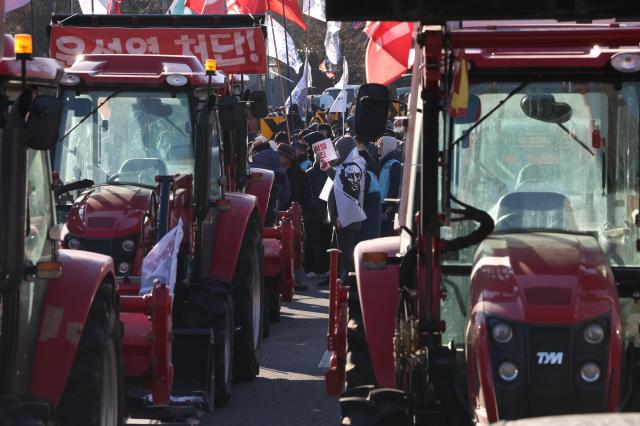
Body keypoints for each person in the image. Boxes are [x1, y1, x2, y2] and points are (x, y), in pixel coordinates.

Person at [323, 136, 367, 283]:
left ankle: (347, 281)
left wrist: (343, 216)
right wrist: (328, 169)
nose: (336, 152)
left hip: (346, 218)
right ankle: (336, 278)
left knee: (345, 251)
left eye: (338, 149)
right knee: (337, 249)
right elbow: (340, 181)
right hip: (341, 217)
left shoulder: (354, 166)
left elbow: (352, 194)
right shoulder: (349, 164)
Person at [277, 143, 313, 291]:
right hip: (278, 215)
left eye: (281, 155)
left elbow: (307, 197)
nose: (278, 157)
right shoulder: (277, 173)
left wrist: (303, 213)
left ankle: (296, 279)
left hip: (295, 216)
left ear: (289, 158)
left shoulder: (301, 175)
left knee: (295, 248)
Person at [303, 131, 332, 278]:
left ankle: (322, 267)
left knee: (325, 241)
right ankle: (309, 268)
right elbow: (309, 195)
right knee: (311, 240)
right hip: (313, 213)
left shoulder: (329, 174)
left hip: (326, 212)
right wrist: (318, 206)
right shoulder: (309, 173)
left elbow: (330, 192)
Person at [377, 136, 402, 236]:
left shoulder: (394, 163)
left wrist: (390, 203)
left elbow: (394, 185)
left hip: (387, 206)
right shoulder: (382, 162)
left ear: (388, 146)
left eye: (381, 146)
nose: (379, 149)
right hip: (380, 203)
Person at [357, 148, 381, 242]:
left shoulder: (365, 175)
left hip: (367, 218)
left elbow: (361, 195)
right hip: (373, 216)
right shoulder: (372, 173)